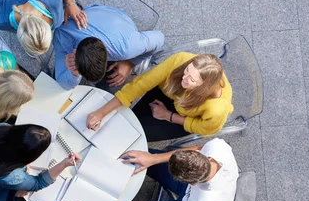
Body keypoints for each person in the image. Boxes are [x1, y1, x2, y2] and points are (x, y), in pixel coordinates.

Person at [86, 52, 233, 142]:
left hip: (183, 118)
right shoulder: (181, 60)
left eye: (192, 80)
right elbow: (140, 84)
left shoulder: (216, 109)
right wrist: (101, 112)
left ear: (204, 87)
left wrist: (168, 116)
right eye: (187, 70)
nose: (184, 78)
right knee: (129, 119)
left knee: (136, 133)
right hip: (169, 93)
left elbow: (203, 128)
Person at [115, 138, 238, 201]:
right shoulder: (217, 147)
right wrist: (154, 159)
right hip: (193, 194)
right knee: (137, 158)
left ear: (193, 183)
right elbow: (198, 149)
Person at [54, 4, 165, 90]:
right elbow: (62, 83)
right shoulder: (61, 39)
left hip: (120, 23)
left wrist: (130, 62)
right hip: (96, 15)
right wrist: (74, 73)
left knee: (111, 82)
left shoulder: (126, 48)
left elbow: (160, 38)